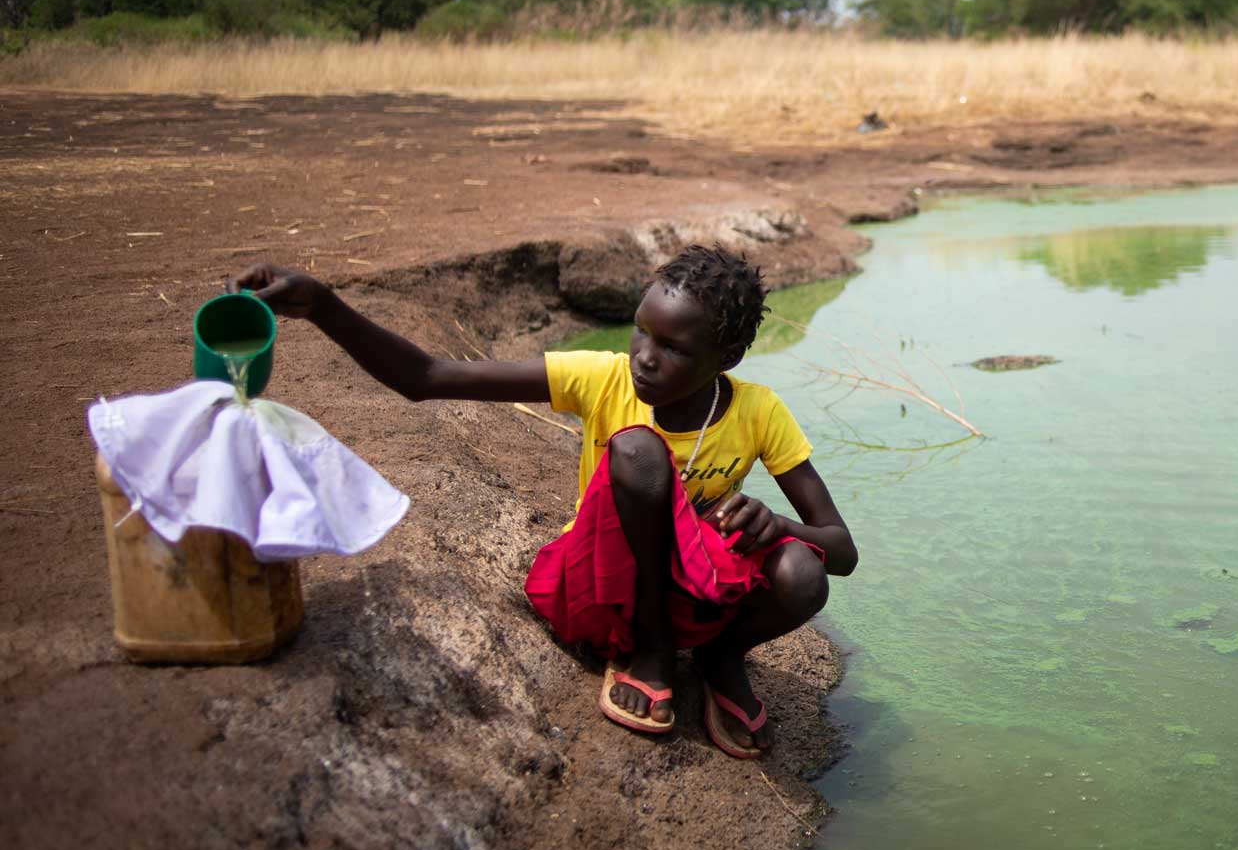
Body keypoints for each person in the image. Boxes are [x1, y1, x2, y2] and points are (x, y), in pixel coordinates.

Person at [229, 246, 856, 757]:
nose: (644, 355)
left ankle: (720, 657)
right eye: (642, 330)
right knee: (637, 452)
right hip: (604, 587)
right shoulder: (602, 379)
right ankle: (652, 652)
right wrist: (325, 307)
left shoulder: (757, 411)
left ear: (728, 357)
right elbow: (426, 379)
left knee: (802, 571)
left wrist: (773, 523)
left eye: (674, 349)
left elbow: (841, 548)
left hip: (692, 588)